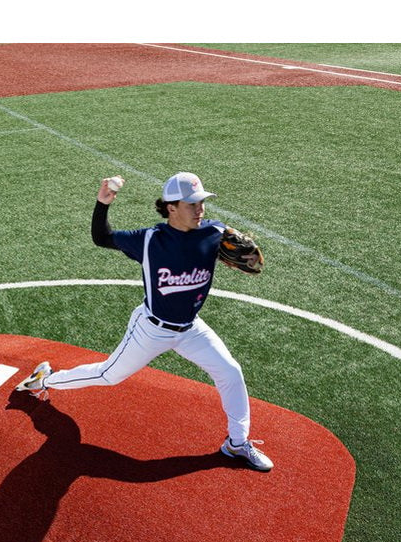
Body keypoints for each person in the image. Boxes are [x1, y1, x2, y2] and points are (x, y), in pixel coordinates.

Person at [16, 172, 273, 472]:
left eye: (202, 201)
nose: (200, 209)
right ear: (171, 207)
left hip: (191, 329)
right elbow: (102, 238)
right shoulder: (150, 240)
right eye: (192, 204)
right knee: (108, 375)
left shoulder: (215, 233)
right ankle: (42, 381)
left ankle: (237, 443)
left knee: (230, 372)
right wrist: (103, 203)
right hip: (151, 329)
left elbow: (239, 249)